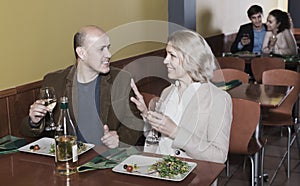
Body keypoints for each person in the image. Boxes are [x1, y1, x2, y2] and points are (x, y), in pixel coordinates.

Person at [20, 25, 144, 148]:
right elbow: (27, 130)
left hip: (106, 159)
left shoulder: (121, 79)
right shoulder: (54, 81)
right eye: (101, 49)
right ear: (82, 53)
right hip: (68, 157)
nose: (109, 54)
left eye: (108, 48)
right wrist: (34, 122)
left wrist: (119, 139)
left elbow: (134, 123)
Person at [130, 30, 232, 164]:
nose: (165, 61)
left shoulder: (218, 98)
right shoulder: (167, 92)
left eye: (172, 55)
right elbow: (156, 139)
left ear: (192, 59)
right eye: (166, 55)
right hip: (157, 170)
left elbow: (219, 156)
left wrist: (175, 132)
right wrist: (146, 115)